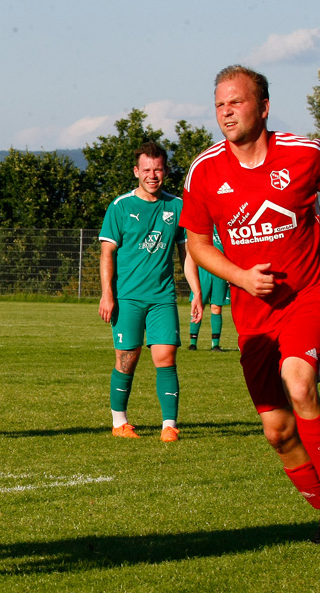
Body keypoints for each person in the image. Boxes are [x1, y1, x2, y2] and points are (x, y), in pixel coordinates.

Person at [181, 65, 320, 551]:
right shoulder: (204, 171)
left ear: (263, 107)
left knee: (298, 381)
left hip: (311, 292)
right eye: (219, 103)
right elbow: (197, 244)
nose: (226, 112)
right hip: (254, 314)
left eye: (236, 102)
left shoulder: (304, 156)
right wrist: (239, 277)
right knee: (277, 431)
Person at [98, 142, 202, 443]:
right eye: (146, 170)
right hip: (127, 297)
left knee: (166, 357)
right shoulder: (120, 206)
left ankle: (169, 425)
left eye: (157, 169)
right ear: (136, 172)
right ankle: (120, 421)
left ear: (165, 171)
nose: (152, 175)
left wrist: (195, 292)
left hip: (162, 298)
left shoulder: (177, 206)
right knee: (126, 358)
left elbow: (188, 254)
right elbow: (107, 254)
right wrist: (107, 294)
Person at [188, 226, 228, 351]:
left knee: (216, 307)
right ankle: (193, 343)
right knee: (198, 305)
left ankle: (215, 344)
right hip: (203, 270)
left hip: (220, 270)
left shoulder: (226, 224)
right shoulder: (203, 224)